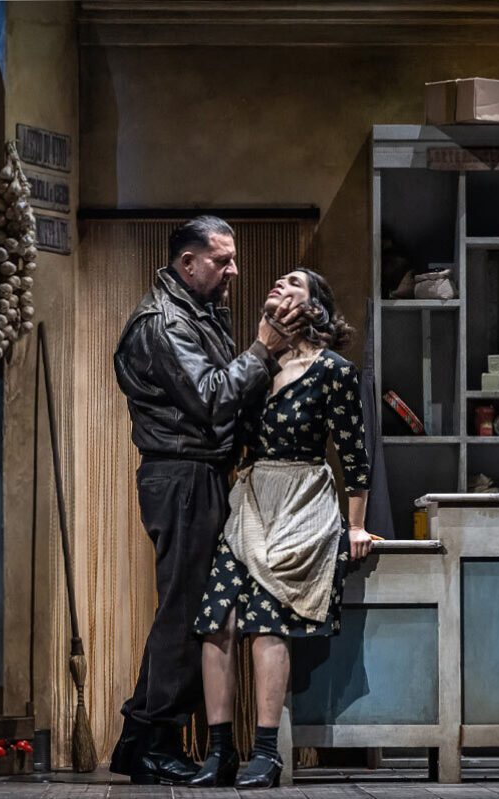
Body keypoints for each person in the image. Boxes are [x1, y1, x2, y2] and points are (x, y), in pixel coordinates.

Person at [110, 216, 304, 785]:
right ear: (188, 263)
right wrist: (264, 349)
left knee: (188, 607)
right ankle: (153, 740)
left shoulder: (200, 312)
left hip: (200, 474)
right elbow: (214, 397)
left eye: (233, 258)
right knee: (188, 610)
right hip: (183, 477)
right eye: (222, 261)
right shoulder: (163, 323)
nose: (234, 270)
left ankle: (141, 740)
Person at [188, 268, 374, 789]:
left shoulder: (333, 370)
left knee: (268, 619)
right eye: (278, 281)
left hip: (301, 498)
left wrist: (356, 526)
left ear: (315, 306)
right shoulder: (256, 365)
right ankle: (220, 751)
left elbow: (354, 456)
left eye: (293, 283)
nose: (279, 284)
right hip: (252, 498)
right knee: (218, 619)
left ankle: (266, 753)